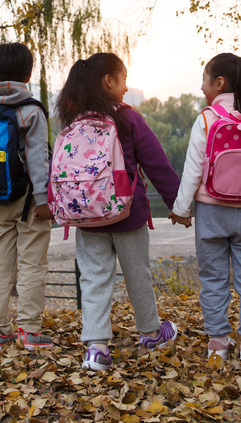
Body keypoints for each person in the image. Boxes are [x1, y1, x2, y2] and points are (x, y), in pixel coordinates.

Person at [54, 52, 181, 371]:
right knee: (138, 273)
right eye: (123, 79)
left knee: (94, 278)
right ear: (108, 81)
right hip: (128, 213)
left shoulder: (72, 119)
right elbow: (156, 163)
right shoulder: (126, 117)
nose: (126, 88)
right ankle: (151, 333)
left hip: (85, 216)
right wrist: (178, 204)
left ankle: (96, 348)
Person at [169, 53, 241, 361]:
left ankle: (218, 342)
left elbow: (193, 169)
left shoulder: (207, 119)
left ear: (219, 83)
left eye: (204, 80)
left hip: (211, 212)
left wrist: (181, 209)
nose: (202, 87)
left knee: (213, 279)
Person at [0, 42, 55, 351]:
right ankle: (29, 331)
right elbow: (38, 160)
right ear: (29, 73)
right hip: (29, 200)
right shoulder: (31, 111)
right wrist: (43, 199)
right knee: (32, 262)